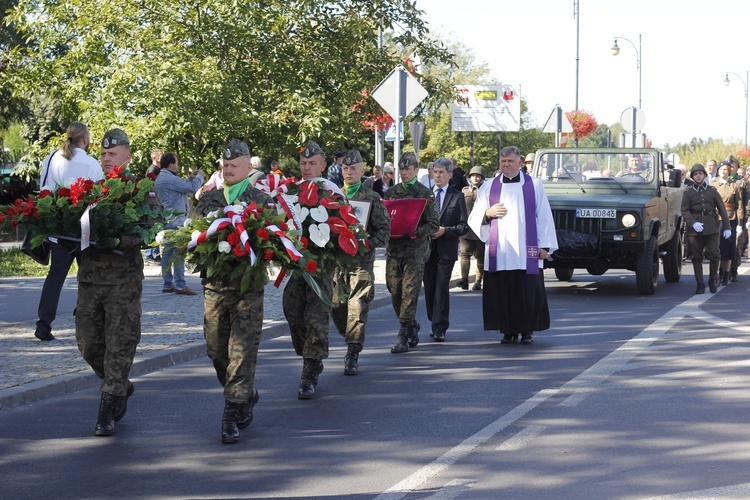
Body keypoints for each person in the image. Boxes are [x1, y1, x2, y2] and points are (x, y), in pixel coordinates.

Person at [193, 138, 274, 444]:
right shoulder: (209, 199)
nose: (228, 170)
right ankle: (245, 394)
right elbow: (194, 234)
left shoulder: (261, 200)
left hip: (247, 290)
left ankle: (231, 414)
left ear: (247, 166)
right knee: (216, 350)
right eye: (225, 165)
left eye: (234, 166)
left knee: (241, 352)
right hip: (214, 286)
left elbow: (271, 243)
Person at [76, 128, 142, 436]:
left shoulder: (139, 190)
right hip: (90, 278)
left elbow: (147, 229)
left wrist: (116, 239)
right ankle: (121, 385)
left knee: (119, 345)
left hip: (122, 282)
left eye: (112, 154)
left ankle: (108, 407)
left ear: (127, 157)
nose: (105, 158)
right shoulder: (89, 190)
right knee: (88, 344)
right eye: (103, 153)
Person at [467, 146, 558, 345]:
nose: (506, 164)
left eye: (510, 161)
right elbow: (475, 215)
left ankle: (527, 331)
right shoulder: (489, 186)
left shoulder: (534, 185)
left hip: (527, 250)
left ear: (520, 163)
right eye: (503, 161)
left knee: (527, 292)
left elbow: (543, 216)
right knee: (503, 292)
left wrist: (545, 246)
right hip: (500, 250)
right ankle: (507, 331)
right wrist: (487, 214)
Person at [34, 121, 103, 342]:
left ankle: (43, 325)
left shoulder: (52, 158)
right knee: (87, 278)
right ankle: (85, 321)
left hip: (58, 230)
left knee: (55, 277)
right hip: (83, 231)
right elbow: (99, 199)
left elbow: (43, 192)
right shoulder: (92, 163)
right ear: (85, 139)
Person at [282, 140, 340, 399]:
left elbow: (345, 224)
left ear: (323, 165)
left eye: (312, 163)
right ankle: (309, 353)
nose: (307, 167)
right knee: (292, 310)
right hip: (296, 264)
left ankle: (310, 370)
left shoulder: (331, 190)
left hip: (322, 266)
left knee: (316, 316)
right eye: (303, 163)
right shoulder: (290, 190)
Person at [331, 149, 390, 375]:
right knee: (336, 308)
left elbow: (384, 230)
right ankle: (350, 338)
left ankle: (353, 352)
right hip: (338, 265)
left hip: (361, 265)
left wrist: (366, 243)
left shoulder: (372, 198)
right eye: (345, 168)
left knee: (357, 307)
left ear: (362, 171)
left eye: (353, 168)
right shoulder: (334, 197)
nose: (348, 172)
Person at [385, 152, 439, 353]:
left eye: (409, 169)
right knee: (395, 291)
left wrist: (416, 232)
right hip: (394, 249)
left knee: (409, 291)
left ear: (416, 170)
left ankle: (403, 333)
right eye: (402, 169)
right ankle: (411, 325)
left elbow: (434, 223)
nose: (405, 172)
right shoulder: (392, 193)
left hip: (415, 251)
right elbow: (386, 219)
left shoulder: (425, 193)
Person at [422, 158, 468, 342]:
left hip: (446, 250)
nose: (438, 176)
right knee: (430, 288)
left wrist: (445, 231)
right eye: (435, 172)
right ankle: (433, 319)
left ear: (450, 174)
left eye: (442, 172)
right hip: (427, 250)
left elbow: (464, 226)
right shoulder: (426, 196)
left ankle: (440, 327)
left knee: (441, 287)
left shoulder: (457, 196)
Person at [153, 152, 204, 296]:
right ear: (170, 165)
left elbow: (181, 187)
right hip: (176, 221)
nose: (177, 166)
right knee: (179, 253)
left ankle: (167, 283)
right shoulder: (169, 179)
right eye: (176, 163)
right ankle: (181, 284)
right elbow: (192, 189)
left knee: (168, 253)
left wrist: (189, 178)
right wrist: (200, 176)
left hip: (166, 220)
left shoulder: (162, 178)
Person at [682, 163, 731, 294]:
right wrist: (693, 223)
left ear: (704, 175)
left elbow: (721, 208)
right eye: (695, 174)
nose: (698, 176)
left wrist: (727, 227)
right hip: (695, 229)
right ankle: (700, 284)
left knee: (715, 255)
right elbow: (684, 210)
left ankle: (712, 280)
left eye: (700, 174)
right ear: (692, 177)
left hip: (711, 227)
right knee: (696, 257)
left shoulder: (712, 190)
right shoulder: (688, 192)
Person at [710, 161, 743, 285]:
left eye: (726, 169)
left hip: (731, 218)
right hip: (716, 218)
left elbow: (739, 205)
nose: (723, 171)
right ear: (717, 171)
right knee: (717, 247)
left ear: (729, 171)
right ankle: (717, 274)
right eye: (721, 169)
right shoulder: (713, 185)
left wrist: (740, 223)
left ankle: (726, 274)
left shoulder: (735, 186)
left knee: (729, 247)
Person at [457, 166, 486, 291]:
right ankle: (464, 280)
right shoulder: (464, 191)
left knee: (480, 256)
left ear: (482, 178)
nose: (475, 177)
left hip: (480, 229)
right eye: (473, 175)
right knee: (464, 254)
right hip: (466, 229)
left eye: (478, 176)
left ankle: (478, 281)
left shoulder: (485, 191)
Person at [144, 149, 163, 264]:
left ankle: (154, 254)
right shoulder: (152, 170)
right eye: (161, 155)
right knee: (153, 226)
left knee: (156, 226)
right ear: (155, 158)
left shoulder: (158, 170)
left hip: (156, 200)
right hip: (152, 203)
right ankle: (151, 254)